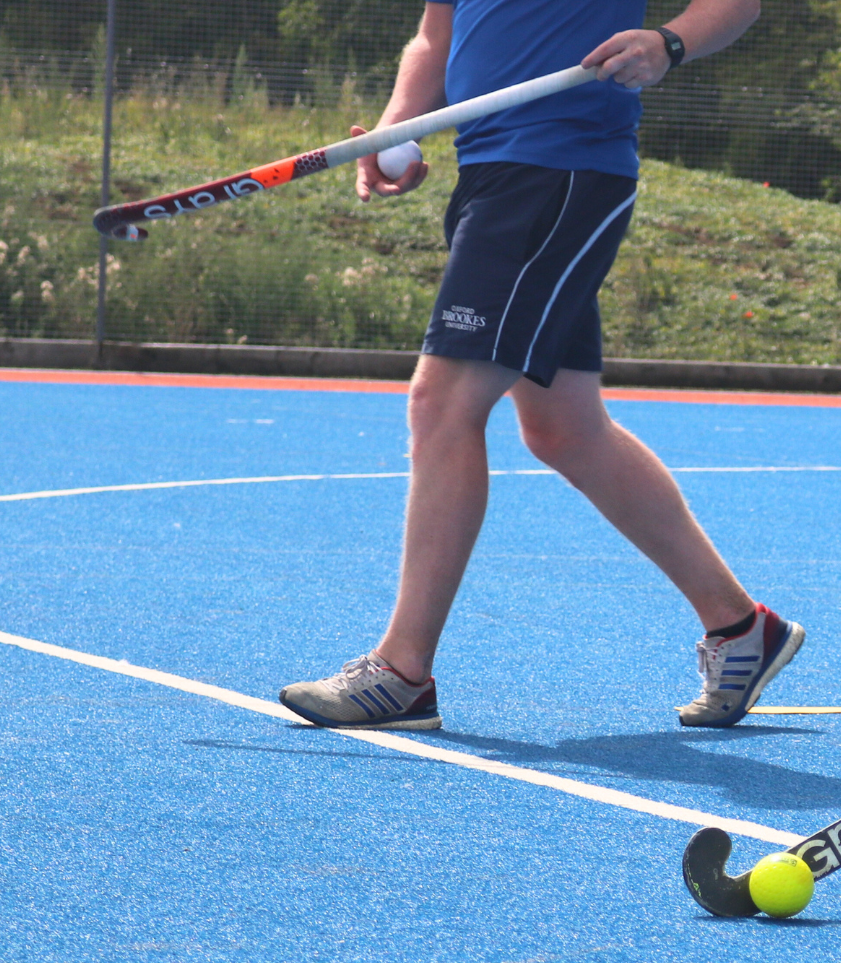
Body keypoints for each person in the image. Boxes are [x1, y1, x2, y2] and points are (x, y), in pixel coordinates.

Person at [279, 0, 803, 732]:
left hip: (558, 169)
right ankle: (741, 627)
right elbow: (437, 33)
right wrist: (401, 126)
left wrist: (669, 43)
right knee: (564, 428)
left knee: (443, 404)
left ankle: (401, 672)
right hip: (494, 173)